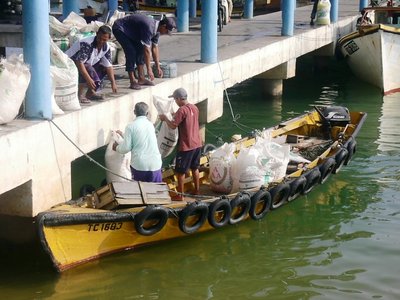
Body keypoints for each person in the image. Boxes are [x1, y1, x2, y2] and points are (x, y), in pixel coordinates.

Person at [159, 88, 202, 201]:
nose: (175, 101)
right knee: (195, 168)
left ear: (178, 99)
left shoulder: (181, 110)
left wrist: (164, 119)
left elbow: (173, 125)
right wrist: (175, 114)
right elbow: (187, 118)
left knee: (180, 171)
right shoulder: (194, 108)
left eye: (175, 99)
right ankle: (197, 190)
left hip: (186, 146)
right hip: (197, 144)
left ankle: (181, 195)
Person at [112, 14, 176, 90]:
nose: (165, 33)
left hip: (132, 32)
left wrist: (158, 66)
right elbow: (147, 51)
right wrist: (149, 69)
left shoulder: (157, 32)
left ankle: (141, 78)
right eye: (166, 31)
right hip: (120, 28)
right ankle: (132, 81)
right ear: (163, 26)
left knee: (140, 50)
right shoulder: (149, 27)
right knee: (131, 52)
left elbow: (154, 48)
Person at [66, 25, 117, 104]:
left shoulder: (106, 48)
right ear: (97, 34)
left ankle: (90, 93)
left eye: (104, 39)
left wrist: (113, 83)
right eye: (99, 38)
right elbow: (80, 63)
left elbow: (109, 66)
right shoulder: (87, 43)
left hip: (88, 63)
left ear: (108, 38)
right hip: (71, 63)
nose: (101, 41)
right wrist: (89, 79)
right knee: (87, 68)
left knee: (103, 68)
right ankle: (79, 95)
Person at [113, 102, 163, 182]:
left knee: (141, 191)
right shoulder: (150, 125)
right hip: (155, 164)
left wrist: (116, 147)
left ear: (134, 112)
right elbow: (140, 136)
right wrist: (123, 134)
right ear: (147, 113)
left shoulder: (130, 126)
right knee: (156, 191)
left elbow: (125, 148)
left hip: (140, 166)